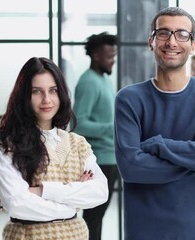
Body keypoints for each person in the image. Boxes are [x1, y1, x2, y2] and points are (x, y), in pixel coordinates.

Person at [114, 7, 195, 240]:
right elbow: (131, 168)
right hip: (144, 232)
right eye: (163, 33)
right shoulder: (129, 99)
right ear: (151, 42)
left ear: (193, 45)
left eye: (182, 34)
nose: (172, 42)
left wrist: (159, 146)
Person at [0, 57, 108, 240]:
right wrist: (71, 205)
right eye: (37, 91)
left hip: (76, 235)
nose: (47, 99)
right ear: (24, 95)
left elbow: (100, 191)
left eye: (53, 90)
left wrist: (42, 191)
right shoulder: (7, 145)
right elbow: (16, 203)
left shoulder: (77, 143)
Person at [72, 31, 118, 240]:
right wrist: (114, 127)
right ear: (97, 56)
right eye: (110, 57)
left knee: (97, 218)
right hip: (99, 161)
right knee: (92, 219)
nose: (113, 61)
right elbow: (79, 124)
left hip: (110, 158)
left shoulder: (103, 80)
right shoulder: (89, 81)